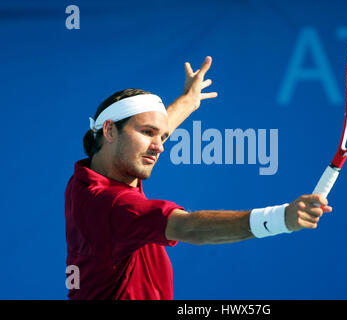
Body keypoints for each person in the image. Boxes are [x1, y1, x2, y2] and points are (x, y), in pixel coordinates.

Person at [65, 56, 333, 300]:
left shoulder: (90, 175)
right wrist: (280, 219)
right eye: (148, 133)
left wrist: (188, 101)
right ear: (110, 131)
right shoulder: (115, 205)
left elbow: (152, 128)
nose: (159, 147)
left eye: (164, 137)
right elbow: (190, 227)